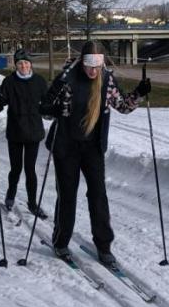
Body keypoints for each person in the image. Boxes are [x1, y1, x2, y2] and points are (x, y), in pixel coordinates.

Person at [40, 39, 150, 264]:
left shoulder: (107, 80)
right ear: (82, 62)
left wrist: (139, 92)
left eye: (97, 66)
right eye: (89, 65)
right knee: (67, 196)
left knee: (98, 196)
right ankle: (61, 242)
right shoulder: (67, 78)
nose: (93, 70)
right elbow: (44, 110)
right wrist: (56, 108)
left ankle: (104, 245)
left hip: (93, 147)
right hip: (66, 146)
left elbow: (123, 106)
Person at [0, 47, 50, 218]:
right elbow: (0, 101)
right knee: (16, 168)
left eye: (26, 63)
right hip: (15, 132)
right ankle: (10, 196)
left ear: (31, 64)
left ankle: (32, 203)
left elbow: (46, 103)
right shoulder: (9, 82)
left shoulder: (39, 81)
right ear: (16, 65)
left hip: (34, 133)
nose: (23, 66)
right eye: (20, 63)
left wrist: (51, 112)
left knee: (30, 170)